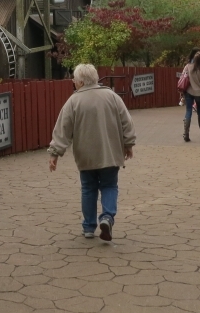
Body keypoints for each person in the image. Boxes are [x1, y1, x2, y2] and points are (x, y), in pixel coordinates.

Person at [48, 63, 136, 241]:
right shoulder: (112, 96)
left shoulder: (73, 101)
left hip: (85, 155)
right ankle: (107, 217)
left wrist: (55, 153)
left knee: (88, 188)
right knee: (109, 185)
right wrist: (129, 143)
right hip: (110, 152)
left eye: (74, 79)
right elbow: (126, 121)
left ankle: (89, 226)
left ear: (80, 82)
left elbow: (63, 128)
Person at [182, 50, 200, 141]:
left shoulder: (187, 67)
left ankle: (186, 133)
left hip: (189, 91)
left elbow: (183, 78)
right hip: (199, 93)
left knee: (188, 111)